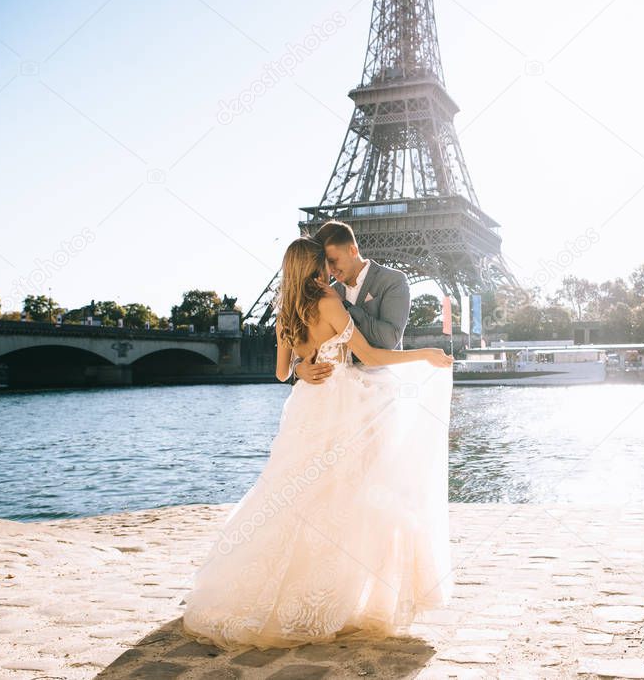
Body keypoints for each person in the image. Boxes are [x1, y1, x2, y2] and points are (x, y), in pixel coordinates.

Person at [180, 235, 455, 651]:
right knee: (350, 499)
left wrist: (303, 367)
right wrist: (425, 353)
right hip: (343, 407)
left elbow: (279, 373)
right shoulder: (329, 302)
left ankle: (289, 589)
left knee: (295, 496)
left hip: (307, 408)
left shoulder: (285, 313)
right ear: (313, 266)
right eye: (323, 263)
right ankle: (339, 594)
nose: (330, 270)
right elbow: (374, 356)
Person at [293, 219, 410, 384]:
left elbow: (390, 339)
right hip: (342, 392)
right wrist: (298, 368)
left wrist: (344, 305)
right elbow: (310, 343)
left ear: (353, 250)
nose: (330, 270)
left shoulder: (393, 280)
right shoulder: (329, 294)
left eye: (333, 261)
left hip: (381, 388)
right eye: (326, 264)